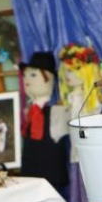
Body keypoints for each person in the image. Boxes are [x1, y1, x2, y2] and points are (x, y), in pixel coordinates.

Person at [58, 43, 102, 202]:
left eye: (73, 70)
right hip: (77, 146)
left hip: (89, 146)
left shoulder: (90, 99)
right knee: (81, 174)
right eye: (66, 71)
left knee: (92, 177)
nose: (68, 75)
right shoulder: (71, 98)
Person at [20, 50, 69, 193]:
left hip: (51, 178)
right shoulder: (29, 111)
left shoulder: (58, 112)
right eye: (25, 75)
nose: (27, 80)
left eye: (33, 75)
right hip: (29, 178)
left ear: (48, 78)